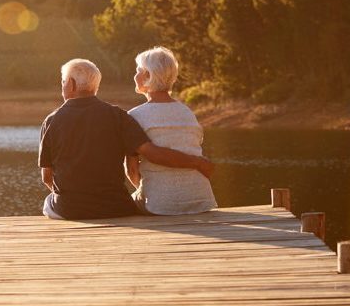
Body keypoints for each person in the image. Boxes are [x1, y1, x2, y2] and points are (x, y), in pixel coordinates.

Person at [39, 58, 214, 220]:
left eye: (63, 82)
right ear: (95, 87)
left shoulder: (51, 120)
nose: (62, 86)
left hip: (70, 209)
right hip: (115, 207)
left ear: (70, 85)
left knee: (48, 203)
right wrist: (197, 162)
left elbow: (47, 177)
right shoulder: (119, 116)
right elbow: (148, 154)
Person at [126, 46, 218, 215]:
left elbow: (132, 170)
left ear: (148, 76)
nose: (135, 75)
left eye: (138, 71)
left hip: (160, 205)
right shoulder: (187, 112)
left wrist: (149, 191)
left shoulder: (134, 116)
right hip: (200, 200)